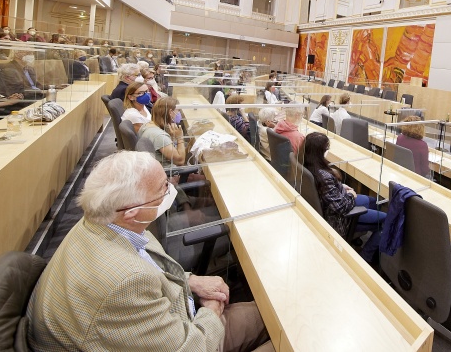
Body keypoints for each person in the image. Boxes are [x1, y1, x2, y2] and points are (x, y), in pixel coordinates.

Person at [27, 151, 271, 352]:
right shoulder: (125, 283)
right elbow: (189, 347)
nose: (169, 191)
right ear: (132, 210)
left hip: (171, 319)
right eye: (163, 189)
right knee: (285, 330)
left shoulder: (102, 222)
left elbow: (151, 267)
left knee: (266, 315)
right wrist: (211, 310)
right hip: (194, 337)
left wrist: (192, 281)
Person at [302, 133, 386, 263]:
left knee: (374, 202)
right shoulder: (325, 177)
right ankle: (365, 257)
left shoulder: (308, 164)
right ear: (320, 152)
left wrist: (341, 186)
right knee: (387, 221)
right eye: (326, 148)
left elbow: (329, 191)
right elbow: (341, 208)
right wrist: (350, 195)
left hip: (336, 199)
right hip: (338, 218)